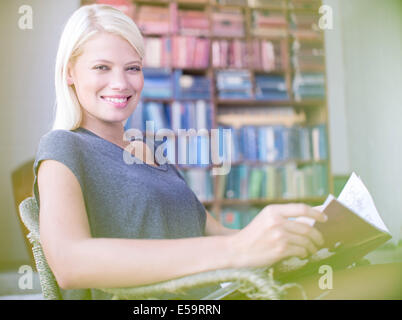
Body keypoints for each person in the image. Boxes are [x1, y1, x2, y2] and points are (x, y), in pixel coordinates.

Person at [33, 4, 401, 300]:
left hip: (228, 287)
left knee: (384, 272)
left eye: (133, 68)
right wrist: (238, 251)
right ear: (69, 72)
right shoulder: (63, 146)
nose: (121, 83)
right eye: (101, 67)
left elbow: (212, 232)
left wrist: (283, 236)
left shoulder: (149, 149)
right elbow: (69, 263)